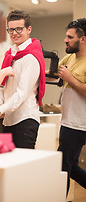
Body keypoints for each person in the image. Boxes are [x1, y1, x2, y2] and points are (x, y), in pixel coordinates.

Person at [0, 10, 45, 149]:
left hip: (25, 120)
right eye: (11, 29)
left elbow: (22, 93)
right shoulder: (10, 54)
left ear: (29, 29)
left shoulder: (31, 57)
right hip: (8, 120)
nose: (14, 33)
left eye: (19, 29)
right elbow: (2, 85)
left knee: (24, 168)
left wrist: (1, 110)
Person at [57, 18, 86, 194]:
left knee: (62, 166)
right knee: (70, 165)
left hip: (79, 123)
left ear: (83, 39)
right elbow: (56, 76)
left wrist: (70, 78)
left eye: (70, 37)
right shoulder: (69, 57)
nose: (65, 40)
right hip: (67, 121)